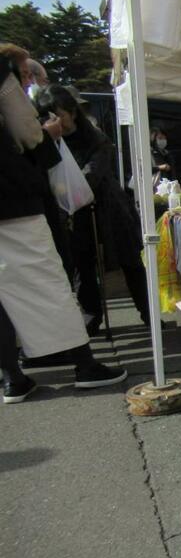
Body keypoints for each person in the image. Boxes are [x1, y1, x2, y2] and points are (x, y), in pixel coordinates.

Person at [0, 56, 126, 403]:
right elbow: (28, 133)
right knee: (48, 280)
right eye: (25, 77)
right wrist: (47, 135)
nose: (27, 83)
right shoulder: (2, 78)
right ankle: (84, 365)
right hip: (12, 202)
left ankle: (12, 377)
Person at [36, 84, 152, 332]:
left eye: (60, 116)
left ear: (72, 112)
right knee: (82, 264)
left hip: (108, 207)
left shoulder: (95, 138)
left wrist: (69, 187)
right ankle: (91, 316)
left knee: (129, 259)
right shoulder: (46, 142)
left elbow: (93, 174)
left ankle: (148, 312)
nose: (55, 122)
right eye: (49, 117)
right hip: (73, 214)